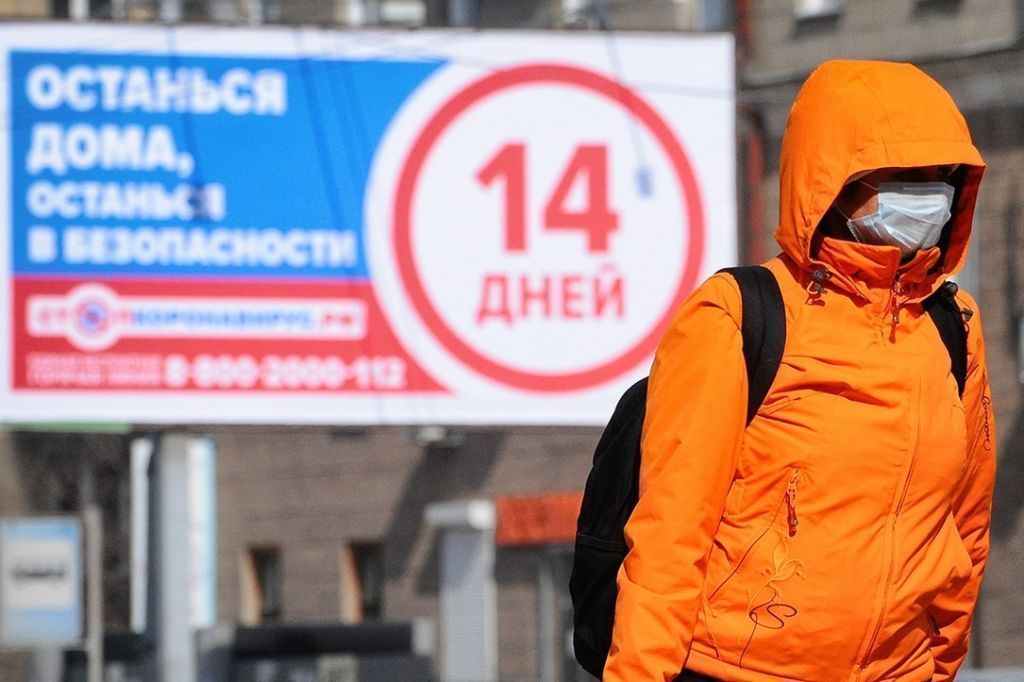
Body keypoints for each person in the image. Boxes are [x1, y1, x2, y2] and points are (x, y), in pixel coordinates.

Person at [603, 60, 996, 681]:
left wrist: (939, 666)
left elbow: (965, 526)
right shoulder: (739, 315)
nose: (928, 196)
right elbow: (670, 534)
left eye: (939, 178)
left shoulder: (954, 327)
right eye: (900, 175)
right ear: (832, 182)